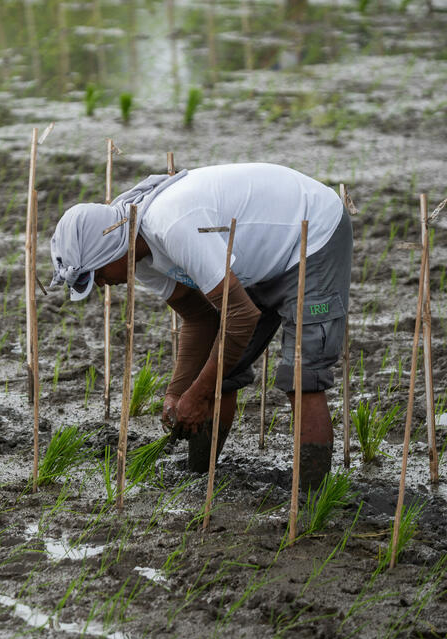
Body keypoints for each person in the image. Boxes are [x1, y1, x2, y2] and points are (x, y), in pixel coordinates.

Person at [49, 163, 351, 489]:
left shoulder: (172, 225)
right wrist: (178, 392)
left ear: (108, 250)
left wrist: (197, 393)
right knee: (223, 370)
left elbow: (241, 316)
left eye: (98, 275)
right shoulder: (140, 254)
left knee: (301, 377)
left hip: (311, 234)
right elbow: (201, 317)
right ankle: (199, 479)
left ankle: (310, 503)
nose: (102, 285)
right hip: (257, 259)